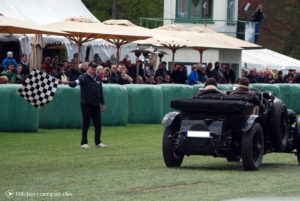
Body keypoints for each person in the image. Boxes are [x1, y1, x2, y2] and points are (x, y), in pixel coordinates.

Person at [63, 63, 106, 148]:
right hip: (86, 104)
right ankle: (84, 142)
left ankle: (98, 142)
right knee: (86, 123)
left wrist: (103, 102)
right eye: (92, 68)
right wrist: (68, 82)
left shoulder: (98, 77)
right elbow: (76, 82)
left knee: (98, 124)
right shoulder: (83, 77)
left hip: (96, 104)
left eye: (95, 67)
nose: (93, 69)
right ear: (88, 68)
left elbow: (100, 91)